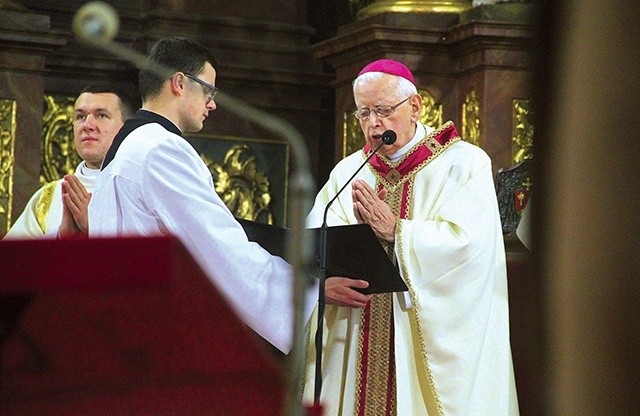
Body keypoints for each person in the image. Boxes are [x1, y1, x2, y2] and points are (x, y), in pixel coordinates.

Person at [302, 59, 519, 415]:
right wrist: (324, 281)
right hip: (356, 332)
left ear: (415, 106)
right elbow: (319, 239)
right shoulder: (349, 171)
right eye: (363, 114)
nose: (374, 125)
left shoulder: (463, 164)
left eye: (384, 111)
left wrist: (396, 231)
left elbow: (470, 249)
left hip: (418, 337)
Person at [87, 36, 315, 354]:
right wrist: (305, 294)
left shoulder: (127, 146)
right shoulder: (161, 148)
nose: (213, 104)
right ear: (179, 82)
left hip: (124, 327)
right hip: (159, 333)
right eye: (208, 90)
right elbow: (217, 247)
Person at [3, 83, 136, 240]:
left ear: (127, 128)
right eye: (81, 116)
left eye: (101, 115)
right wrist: (62, 237)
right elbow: (13, 261)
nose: (87, 125)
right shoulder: (48, 198)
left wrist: (96, 229)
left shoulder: (141, 190)